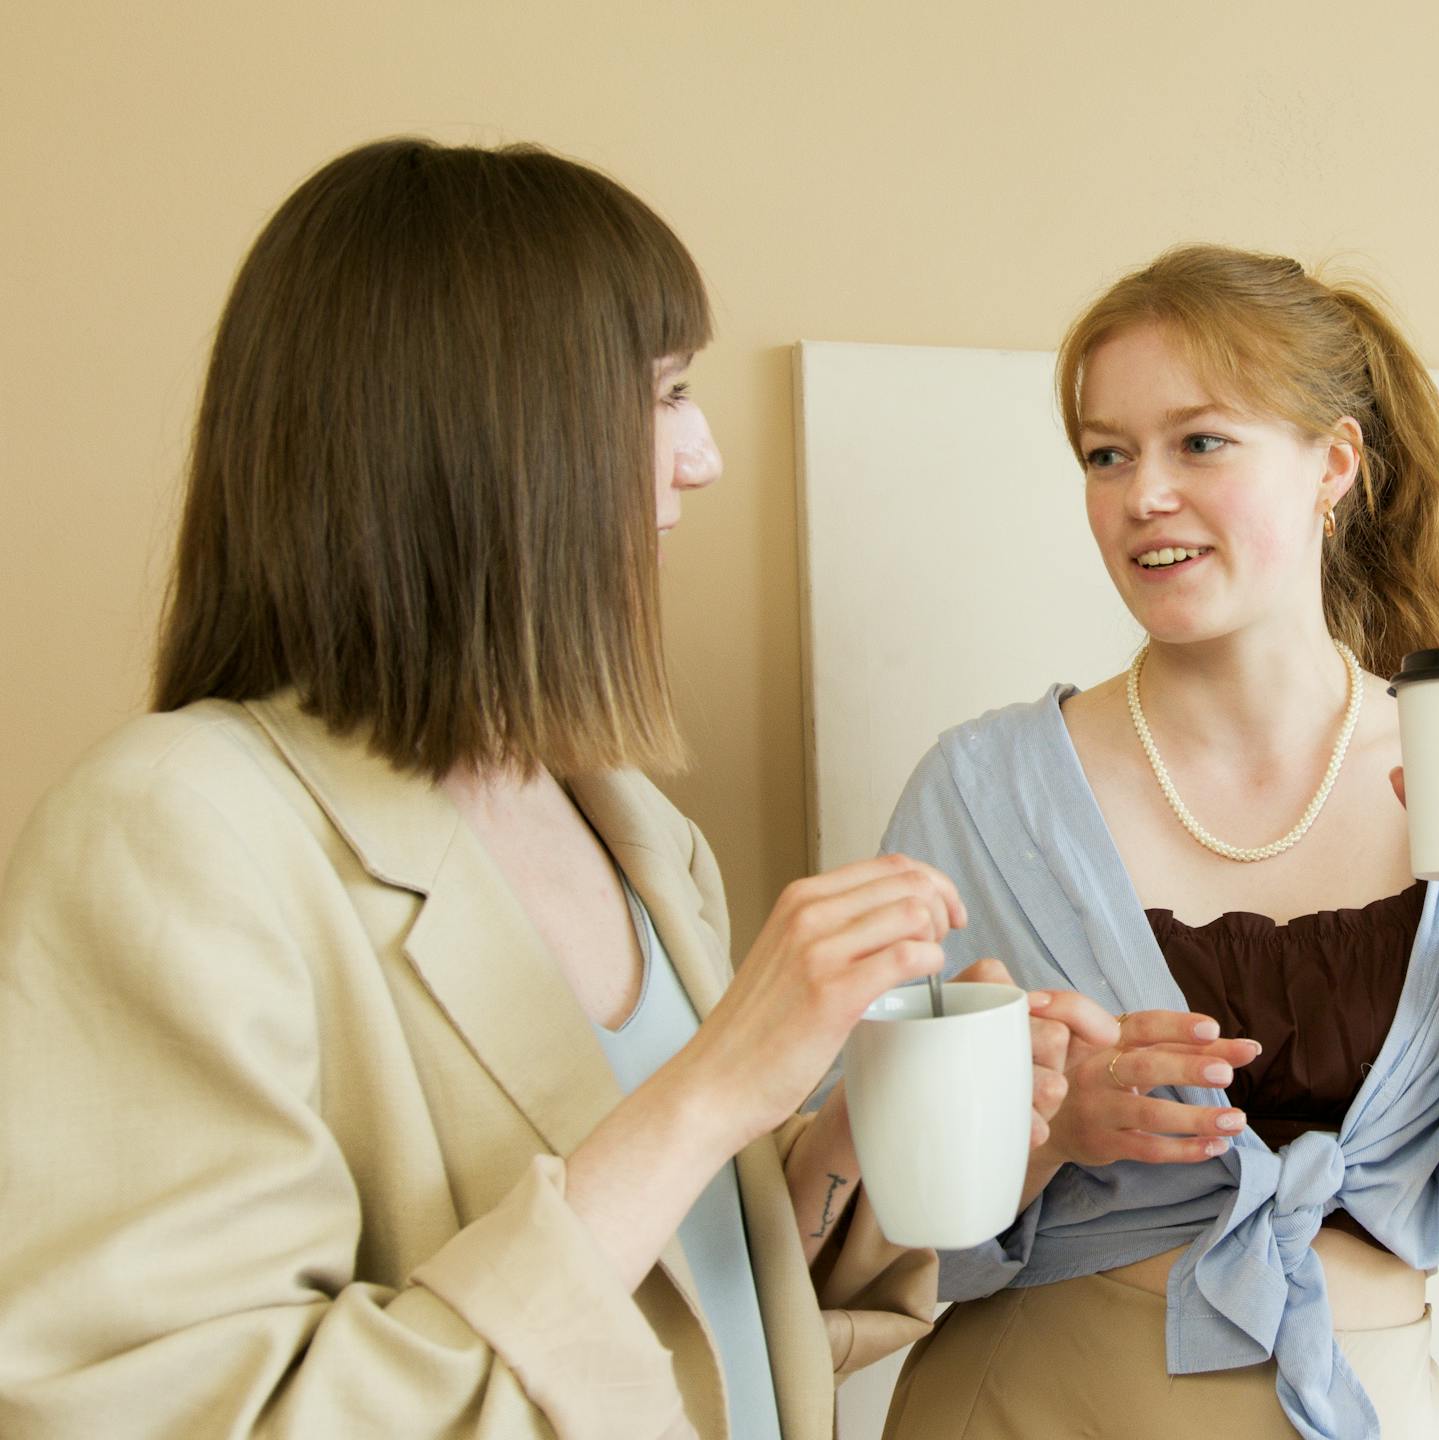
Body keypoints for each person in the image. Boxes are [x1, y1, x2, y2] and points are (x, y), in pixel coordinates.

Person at [0, 138, 1094, 1439]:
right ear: (496, 436)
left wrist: (850, 1142)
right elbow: (171, 1416)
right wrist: (714, 1091)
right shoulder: (173, 831)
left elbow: (684, 1319)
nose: (703, 456)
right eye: (666, 393)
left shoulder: (633, 828)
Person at [874, 244, 1439, 1440]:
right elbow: (868, 1220)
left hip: (1373, 1405)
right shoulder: (982, 795)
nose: (1144, 494)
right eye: (1106, 453)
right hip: (1036, 1406)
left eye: (1200, 442)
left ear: (1332, 464)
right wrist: (1049, 1128)